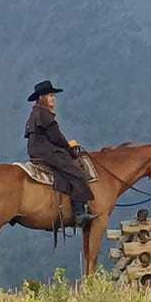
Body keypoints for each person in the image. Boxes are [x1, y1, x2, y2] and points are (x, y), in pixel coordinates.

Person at [24, 80, 97, 227]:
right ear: (42, 97)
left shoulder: (37, 113)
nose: (53, 99)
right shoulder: (44, 114)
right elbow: (55, 137)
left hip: (38, 149)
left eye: (53, 96)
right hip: (46, 150)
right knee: (76, 172)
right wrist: (69, 148)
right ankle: (79, 214)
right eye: (50, 95)